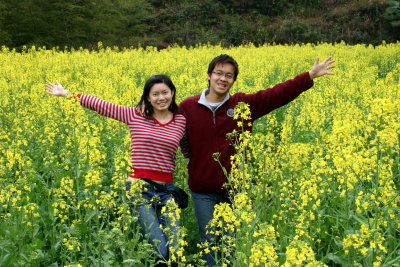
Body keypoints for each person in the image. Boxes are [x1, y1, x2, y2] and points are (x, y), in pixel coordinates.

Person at [179, 54, 336, 266]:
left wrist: (309, 76)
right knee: (209, 244)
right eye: (218, 73)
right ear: (208, 75)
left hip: (235, 189)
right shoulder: (188, 106)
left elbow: (276, 94)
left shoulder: (243, 104)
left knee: (231, 244)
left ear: (233, 80)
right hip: (202, 191)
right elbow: (171, 132)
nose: (223, 79)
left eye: (229, 75)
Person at [46, 75, 186, 266]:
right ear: (147, 97)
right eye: (155, 94)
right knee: (159, 249)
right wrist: (67, 94)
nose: (161, 98)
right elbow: (101, 105)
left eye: (165, 92)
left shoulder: (181, 121)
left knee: (176, 249)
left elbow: (192, 148)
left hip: (167, 191)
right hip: (140, 190)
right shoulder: (135, 115)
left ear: (173, 93)